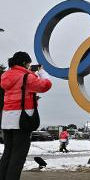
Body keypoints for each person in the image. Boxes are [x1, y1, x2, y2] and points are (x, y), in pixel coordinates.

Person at [0, 51, 52, 180]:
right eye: (28, 64)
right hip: (22, 120)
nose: (30, 66)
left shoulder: (6, 75)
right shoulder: (27, 77)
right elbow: (46, 85)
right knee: (18, 156)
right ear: (24, 63)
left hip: (7, 119)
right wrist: (41, 73)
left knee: (8, 153)